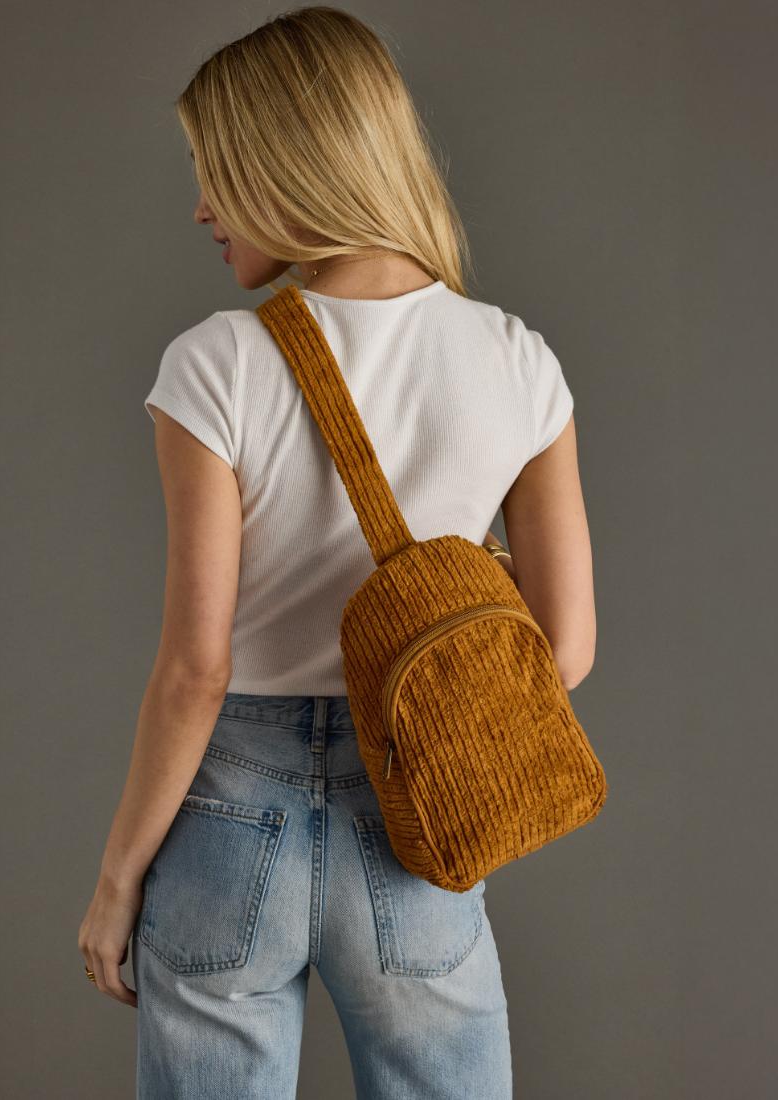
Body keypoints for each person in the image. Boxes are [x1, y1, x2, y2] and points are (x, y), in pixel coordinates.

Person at [78, 6, 596, 1097]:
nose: (201, 206)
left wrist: (118, 877)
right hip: (416, 823)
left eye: (216, 171)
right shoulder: (516, 360)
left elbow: (195, 670)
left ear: (289, 164)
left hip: (226, 815)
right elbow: (564, 650)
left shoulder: (216, 364)